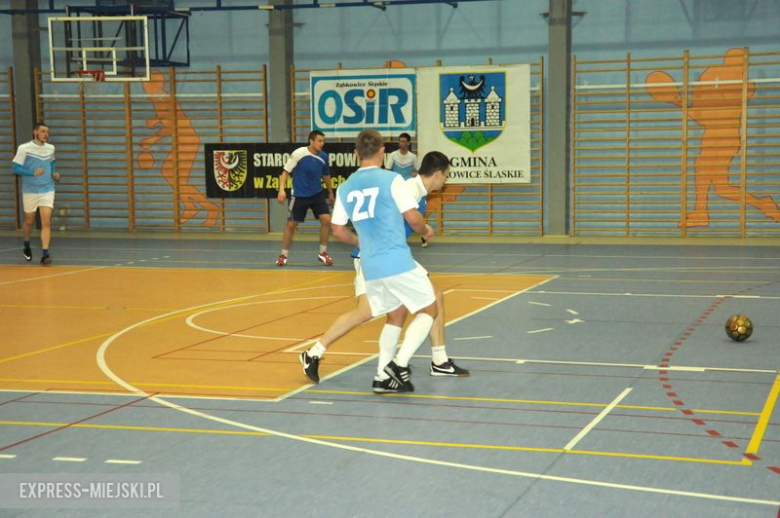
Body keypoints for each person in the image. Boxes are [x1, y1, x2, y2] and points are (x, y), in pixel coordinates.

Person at [300, 142, 463, 392]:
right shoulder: (405, 186)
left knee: (395, 313)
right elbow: (391, 220)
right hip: (379, 256)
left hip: (379, 255)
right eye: (447, 175)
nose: (446, 181)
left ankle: (380, 374)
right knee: (424, 303)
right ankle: (407, 365)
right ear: (439, 173)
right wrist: (423, 229)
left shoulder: (415, 191)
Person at [276, 130, 335, 266]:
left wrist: (330, 192)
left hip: (317, 194)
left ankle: (323, 253)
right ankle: (283, 255)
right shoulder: (298, 153)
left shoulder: (323, 157)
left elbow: (326, 176)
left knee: (326, 221)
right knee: (291, 225)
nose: (322, 143)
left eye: (323, 141)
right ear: (311, 141)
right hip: (299, 196)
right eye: (319, 141)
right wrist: (281, 190)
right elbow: (285, 172)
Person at [12, 122, 58, 265]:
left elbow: (51, 163)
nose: (46, 134)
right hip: (30, 190)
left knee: (46, 222)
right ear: (35, 132)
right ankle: (26, 243)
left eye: (47, 132)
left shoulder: (50, 148)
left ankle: (45, 254)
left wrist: (54, 173)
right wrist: (32, 172)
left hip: (47, 189)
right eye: (43, 131)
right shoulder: (24, 148)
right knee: (29, 221)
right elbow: (15, 168)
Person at [387, 132, 429, 247]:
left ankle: (424, 236)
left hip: (410, 190)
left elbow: (420, 172)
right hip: (397, 189)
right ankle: (394, 238)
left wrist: (416, 173)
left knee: (418, 212)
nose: (401, 143)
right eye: (400, 141)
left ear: (409, 143)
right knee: (395, 214)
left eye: (404, 141)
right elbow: (387, 171)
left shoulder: (412, 157)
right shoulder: (393, 156)